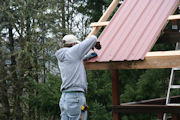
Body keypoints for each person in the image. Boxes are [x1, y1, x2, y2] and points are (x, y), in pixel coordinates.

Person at [55, 34, 101, 120]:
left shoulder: (62, 55)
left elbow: (74, 60)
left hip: (65, 98)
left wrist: (86, 57)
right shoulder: (73, 52)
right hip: (75, 98)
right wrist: (93, 44)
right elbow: (93, 38)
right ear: (73, 45)